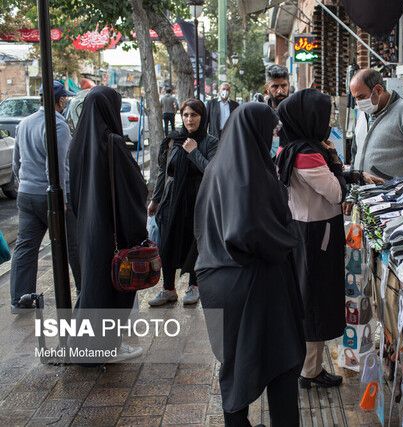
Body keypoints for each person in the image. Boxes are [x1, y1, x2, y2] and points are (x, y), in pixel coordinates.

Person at [195, 103, 305, 426]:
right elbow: (247, 230)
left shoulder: (217, 167)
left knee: (237, 362)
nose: (274, 138)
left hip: (219, 278)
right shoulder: (248, 174)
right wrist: (288, 238)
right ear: (254, 131)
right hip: (253, 282)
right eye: (271, 132)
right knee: (281, 359)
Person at [68, 86, 147, 361]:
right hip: (113, 230)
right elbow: (134, 190)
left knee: (93, 285)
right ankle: (104, 348)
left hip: (88, 228)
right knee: (112, 289)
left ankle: (86, 346)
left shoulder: (78, 143)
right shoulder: (112, 143)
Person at [275, 88, 347, 389]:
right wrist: (335, 160)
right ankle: (310, 371)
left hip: (302, 230)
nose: (328, 120)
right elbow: (336, 192)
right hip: (317, 235)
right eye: (324, 114)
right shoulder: (308, 154)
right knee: (314, 301)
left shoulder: (288, 147)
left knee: (306, 298)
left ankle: (306, 365)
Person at [10, 80, 79, 314]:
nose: (66, 102)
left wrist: (24, 185)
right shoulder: (58, 126)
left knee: (25, 248)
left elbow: (16, 162)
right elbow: (58, 166)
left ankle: (19, 299)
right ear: (60, 101)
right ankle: (85, 291)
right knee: (74, 245)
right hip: (50, 197)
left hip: (26, 194)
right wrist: (62, 198)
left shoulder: (24, 123)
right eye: (65, 99)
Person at [147, 98, 218, 306]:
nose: (189, 119)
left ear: (202, 117)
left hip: (198, 201)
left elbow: (212, 172)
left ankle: (193, 286)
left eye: (194, 115)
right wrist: (155, 200)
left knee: (194, 243)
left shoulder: (210, 142)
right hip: (173, 201)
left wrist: (194, 152)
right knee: (168, 243)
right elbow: (163, 172)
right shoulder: (172, 140)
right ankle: (168, 289)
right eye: (186, 115)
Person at [350, 68, 403, 179]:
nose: (358, 102)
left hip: (392, 193)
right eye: (355, 98)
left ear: (378, 90)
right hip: (362, 192)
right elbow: (355, 151)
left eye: (361, 97)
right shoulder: (363, 114)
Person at [265, 64, 291, 157]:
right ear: (267, 88)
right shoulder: (262, 114)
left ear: (289, 85)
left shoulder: (297, 112)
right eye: (275, 87)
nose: (280, 91)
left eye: (283, 86)